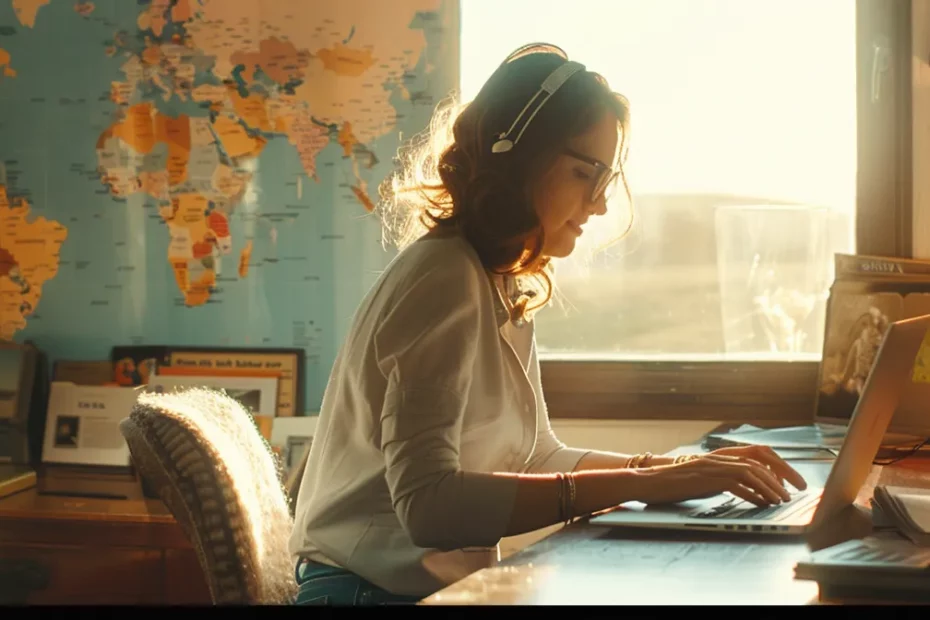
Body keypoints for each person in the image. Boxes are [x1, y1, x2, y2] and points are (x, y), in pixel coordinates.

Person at [288, 42, 807, 606]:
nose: (601, 203)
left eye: (606, 178)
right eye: (587, 173)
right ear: (516, 158)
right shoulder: (442, 278)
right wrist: (647, 483)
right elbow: (429, 507)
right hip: (361, 593)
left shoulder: (493, 278)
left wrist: (672, 467)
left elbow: (535, 456)